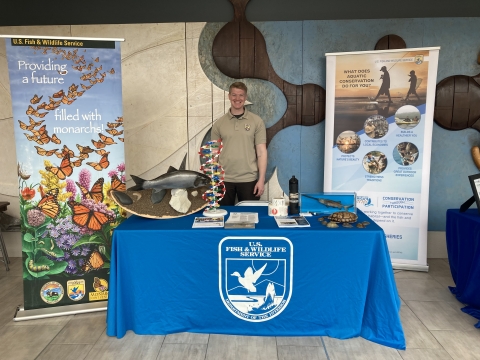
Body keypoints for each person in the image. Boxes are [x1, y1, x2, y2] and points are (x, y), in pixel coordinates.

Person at [211, 82, 267, 206]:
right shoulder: (219, 124)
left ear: (245, 97)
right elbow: (214, 154)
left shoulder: (256, 121)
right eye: (234, 95)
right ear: (229, 96)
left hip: (249, 180)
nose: (237, 99)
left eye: (241, 95)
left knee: (250, 218)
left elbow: (261, 152)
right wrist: (214, 179)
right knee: (224, 217)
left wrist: (261, 180)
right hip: (223, 179)